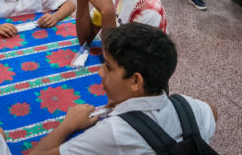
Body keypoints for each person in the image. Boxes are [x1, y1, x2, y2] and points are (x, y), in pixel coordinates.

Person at [28, 23, 216, 155]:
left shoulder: (115, 132)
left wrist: (68, 124)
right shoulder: (189, 107)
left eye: (108, 66)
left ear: (136, 81)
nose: (100, 72)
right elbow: (211, 110)